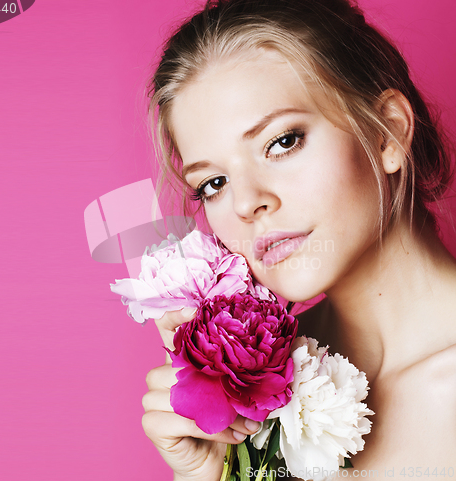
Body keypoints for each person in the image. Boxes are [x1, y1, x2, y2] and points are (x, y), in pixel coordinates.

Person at [141, 0, 456, 479]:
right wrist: (204, 475)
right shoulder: (252, 396)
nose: (247, 203)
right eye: (214, 184)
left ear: (387, 133)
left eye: (282, 142)